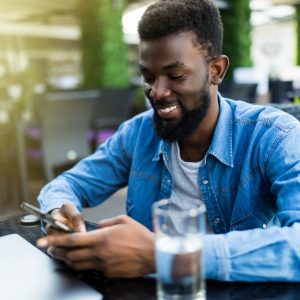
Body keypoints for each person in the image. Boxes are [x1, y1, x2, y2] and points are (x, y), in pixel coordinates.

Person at [37, 0, 300, 281]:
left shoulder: (275, 136)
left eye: (175, 75)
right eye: (148, 77)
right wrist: (57, 211)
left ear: (216, 70)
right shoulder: (138, 133)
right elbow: (68, 184)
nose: (157, 93)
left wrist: (166, 255)